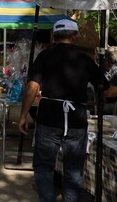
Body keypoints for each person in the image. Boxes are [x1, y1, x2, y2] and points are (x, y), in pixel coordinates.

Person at [18, 19, 117, 202]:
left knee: (43, 167)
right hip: (76, 121)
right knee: (73, 171)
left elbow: (32, 88)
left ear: (54, 36)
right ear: (75, 36)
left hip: (49, 118)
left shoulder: (44, 56)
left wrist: (23, 115)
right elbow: (108, 90)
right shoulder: (84, 60)